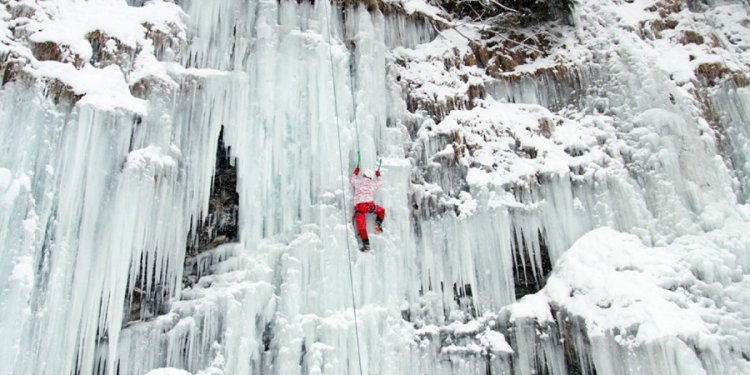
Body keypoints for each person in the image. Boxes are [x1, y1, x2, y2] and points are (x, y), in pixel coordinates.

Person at [351, 166, 385, 252]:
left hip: (360, 207)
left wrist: (356, 172)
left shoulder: (358, 182)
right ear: (370, 177)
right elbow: (380, 182)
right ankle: (378, 224)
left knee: (362, 227)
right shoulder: (371, 183)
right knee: (381, 211)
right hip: (369, 206)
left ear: (363, 175)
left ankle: (366, 245)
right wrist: (378, 174)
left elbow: (353, 179)